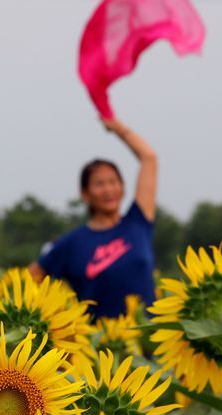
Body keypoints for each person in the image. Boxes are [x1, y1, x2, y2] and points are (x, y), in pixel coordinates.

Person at [29, 118, 157, 318]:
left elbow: (149, 158)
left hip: (151, 341)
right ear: (85, 194)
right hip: (100, 344)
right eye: (99, 184)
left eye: (113, 182)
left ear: (123, 187)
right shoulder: (72, 243)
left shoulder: (138, 223)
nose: (108, 189)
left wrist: (118, 128)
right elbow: (28, 279)